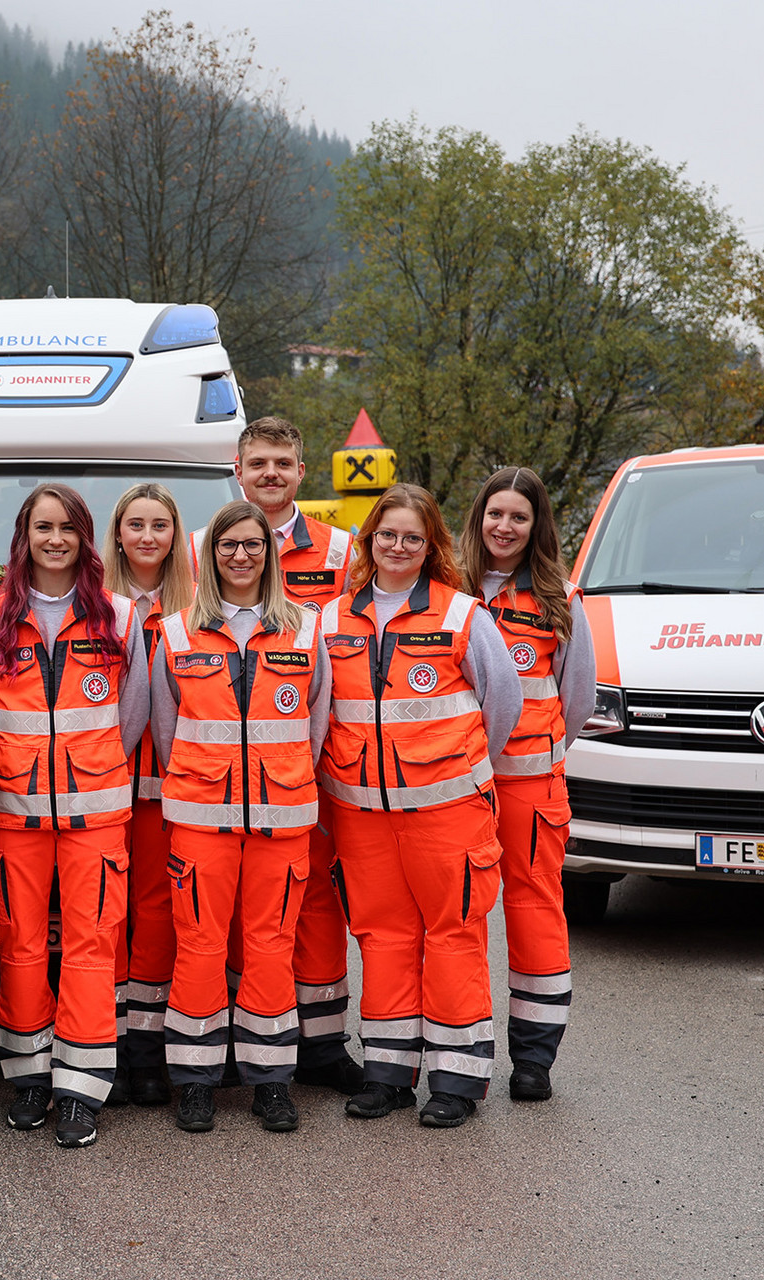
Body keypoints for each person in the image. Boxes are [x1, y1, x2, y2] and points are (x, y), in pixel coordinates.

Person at [317, 483, 522, 1128]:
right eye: (386, 535)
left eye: (411, 537)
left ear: (430, 544)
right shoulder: (329, 620)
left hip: (447, 810)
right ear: (368, 542)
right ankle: (388, 1072)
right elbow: (322, 712)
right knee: (380, 937)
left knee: (454, 934)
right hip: (361, 812)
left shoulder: (463, 615)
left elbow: (503, 704)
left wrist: (454, 765)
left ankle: (457, 1080)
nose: (397, 547)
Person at [0, 484, 149, 1149]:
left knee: (91, 946)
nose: (55, 539)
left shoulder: (121, 618)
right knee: (16, 944)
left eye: (67, 528)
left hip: (96, 815)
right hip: (14, 816)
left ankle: (81, 1086)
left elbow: (131, 718)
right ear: (25, 535)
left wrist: (90, 770)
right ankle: (32, 1077)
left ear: (84, 538)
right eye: (43, 527)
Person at [194, 416, 364, 1095]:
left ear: (302, 473)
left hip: (310, 759)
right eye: (258, 461)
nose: (271, 472)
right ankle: (245, 1038)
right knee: (238, 906)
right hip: (227, 769)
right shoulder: (202, 546)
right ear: (237, 469)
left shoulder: (341, 549)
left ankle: (321, 1043)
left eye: (283, 462)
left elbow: (351, 647)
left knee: (318, 898)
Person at [151, 501, 330, 1134]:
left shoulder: (306, 631)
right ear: (209, 554)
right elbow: (166, 731)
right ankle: (196, 1082)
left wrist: (278, 783)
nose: (241, 555)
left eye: (253, 544)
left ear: (269, 553)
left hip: (282, 822)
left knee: (270, 947)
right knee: (198, 948)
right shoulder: (175, 633)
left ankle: (271, 1081)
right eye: (228, 544)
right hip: (200, 821)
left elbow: (314, 725)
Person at [461, 467, 596, 1102]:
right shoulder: (445, 590)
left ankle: (534, 1058)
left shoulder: (558, 599)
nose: (504, 527)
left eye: (518, 517)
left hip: (529, 785)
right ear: (477, 518)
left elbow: (576, 698)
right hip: (457, 786)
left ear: (537, 524)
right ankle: (458, 1052)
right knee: (458, 917)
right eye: (495, 514)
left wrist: (537, 754)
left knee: (533, 908)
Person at [99, 484, 194, 1107]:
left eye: (160, 525)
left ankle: (148, 1049)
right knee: (107, 915)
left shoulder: (197, 607)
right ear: (118, 533)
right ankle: (101, 1045)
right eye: (136, 524)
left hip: (170, 784)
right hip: (101, 783)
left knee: (158, 914)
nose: (147, 537)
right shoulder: (96, 605)